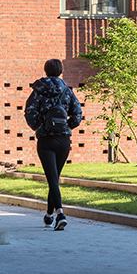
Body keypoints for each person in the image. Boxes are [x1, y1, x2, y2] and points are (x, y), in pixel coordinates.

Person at [25, 59, 82, 231]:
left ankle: (60, 214)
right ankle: (49, 216)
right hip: (64, 140)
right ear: (60, 71)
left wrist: (41, 128)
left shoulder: (38, 91)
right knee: (54, 179)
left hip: (46, 141)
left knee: (52, 178)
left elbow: (30, 113)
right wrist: (66, 127)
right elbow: (77, 114)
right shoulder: (67, 91)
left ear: (46, 70)